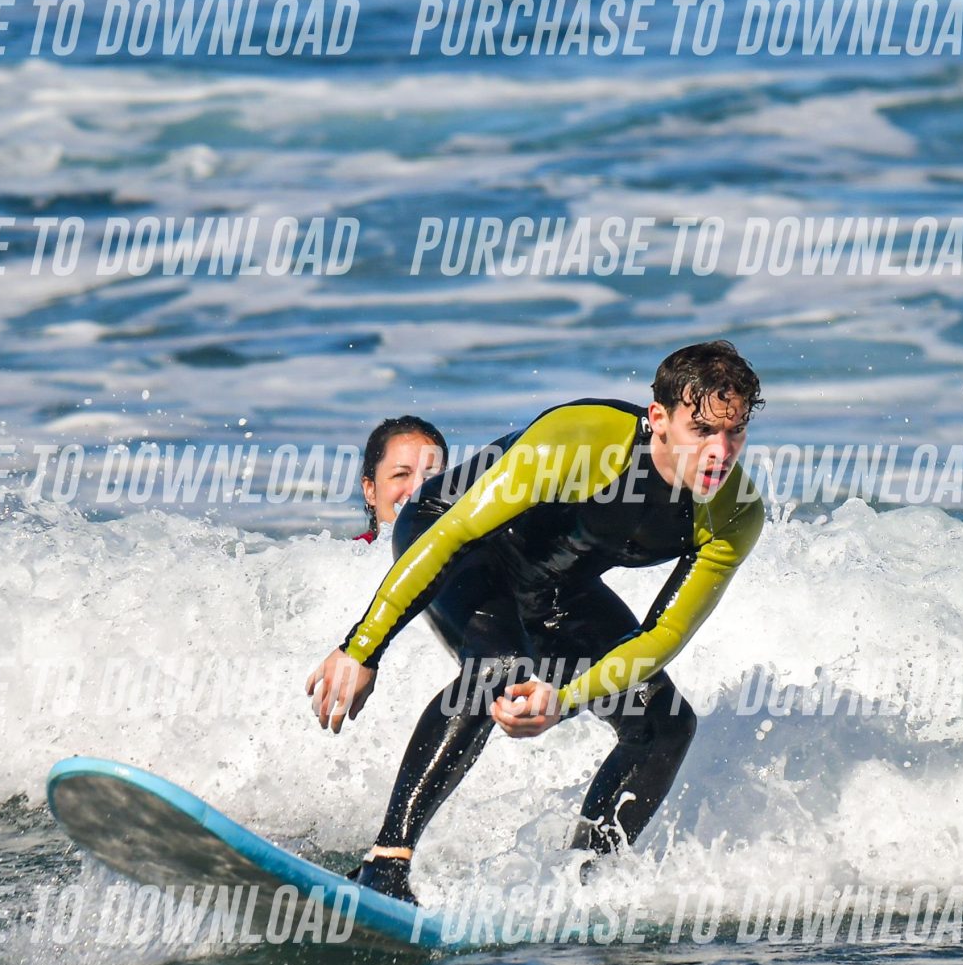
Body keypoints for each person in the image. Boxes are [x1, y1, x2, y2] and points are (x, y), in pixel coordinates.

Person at [306, 342, 766, 901]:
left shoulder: (734, 513)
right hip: (453, 536)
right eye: (703, 430)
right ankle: (386, 865)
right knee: (501, 667)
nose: (720, 452)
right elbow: (454, 534)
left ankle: (583, 885)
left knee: (666, 724)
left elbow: (661, 635)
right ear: (660, 418)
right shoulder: (585, 440)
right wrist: (362, 649)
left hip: (556, 585)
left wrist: (563, 700)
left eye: (735, 432)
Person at [356, 415, 447, 542]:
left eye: (430, 476)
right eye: (401, 474)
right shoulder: (344, 554)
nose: (417, 490)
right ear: (370, 490)